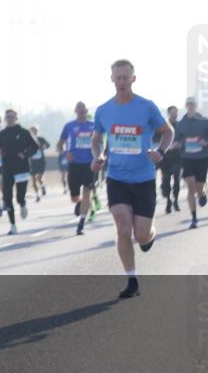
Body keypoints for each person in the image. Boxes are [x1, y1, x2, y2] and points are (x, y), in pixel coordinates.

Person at [91, 59, 172, 299]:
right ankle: (132, 279)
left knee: (141, 234)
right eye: (118, 77)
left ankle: (150, 235)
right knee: (122, 226)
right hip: (117, 177)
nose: (122, 82)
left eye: (126, 77)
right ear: (112, 79)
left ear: (133, 79)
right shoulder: (103, 110)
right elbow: (96, 139)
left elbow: (168, 132)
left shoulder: (146, 107)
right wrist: (98, 156)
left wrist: (161, 151)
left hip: (144, 178)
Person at [0, 109, 39, 234]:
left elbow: (35, 147)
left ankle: (22, 204)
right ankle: (13, 226)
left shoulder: (24, 132)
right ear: (5, 119)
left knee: (19, 197)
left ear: (16, 118)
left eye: (12, 117)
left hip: (22, 168)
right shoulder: (2, 134)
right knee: (7, 197)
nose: (9, 119)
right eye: (7, 117)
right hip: (7, 168)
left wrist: (25, 154)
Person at [174, 97, 208, 228]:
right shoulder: (180, 124)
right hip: (187, 158)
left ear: (196, 106)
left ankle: (203, 194)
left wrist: (207, 142)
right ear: (186, 106)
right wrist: (177, 143)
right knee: (190, 187)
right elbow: (176, 139)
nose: (190, 107)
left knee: (199, 186)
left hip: (202, 158)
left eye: (192, 104)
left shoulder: (205, 122)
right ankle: (194, 218)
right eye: (188, 104)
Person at [58, 101, 96, 235]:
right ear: (75, 111)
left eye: (83, 110)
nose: (81, 112)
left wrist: (99, 157)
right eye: (79, 110)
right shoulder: (69, 126)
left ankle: (81, 222)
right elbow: (60, 144)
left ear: (86, 111)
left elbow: (101, 142)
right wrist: (65, 153)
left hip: (89, 164)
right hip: (74, 164)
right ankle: (79, 202)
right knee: (74, 197)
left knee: (87, 192)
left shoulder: (94, 126)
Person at [155, 105, 182, 214]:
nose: (175, 114)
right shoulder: (163, 125)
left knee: (177, 180)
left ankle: (175, 200)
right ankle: (168, 201)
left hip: (177, 157)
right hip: (165, 157)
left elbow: (185, 137)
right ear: (168, 113)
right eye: (173, 112)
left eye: (176, 112)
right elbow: (155, 138)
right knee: (166, 180)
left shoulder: (180, 125)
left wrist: (180, 143)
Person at [28, 126, 50, 201]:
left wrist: (44, 146)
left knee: (39, 178)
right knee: (33, 180)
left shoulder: (41, 139)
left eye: (34, 131)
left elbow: (48, 145)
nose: (33, 133)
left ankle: (43, 186)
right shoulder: (28, 141)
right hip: (33, 162)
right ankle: (37, 195)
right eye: (31, 131)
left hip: (41, 161)